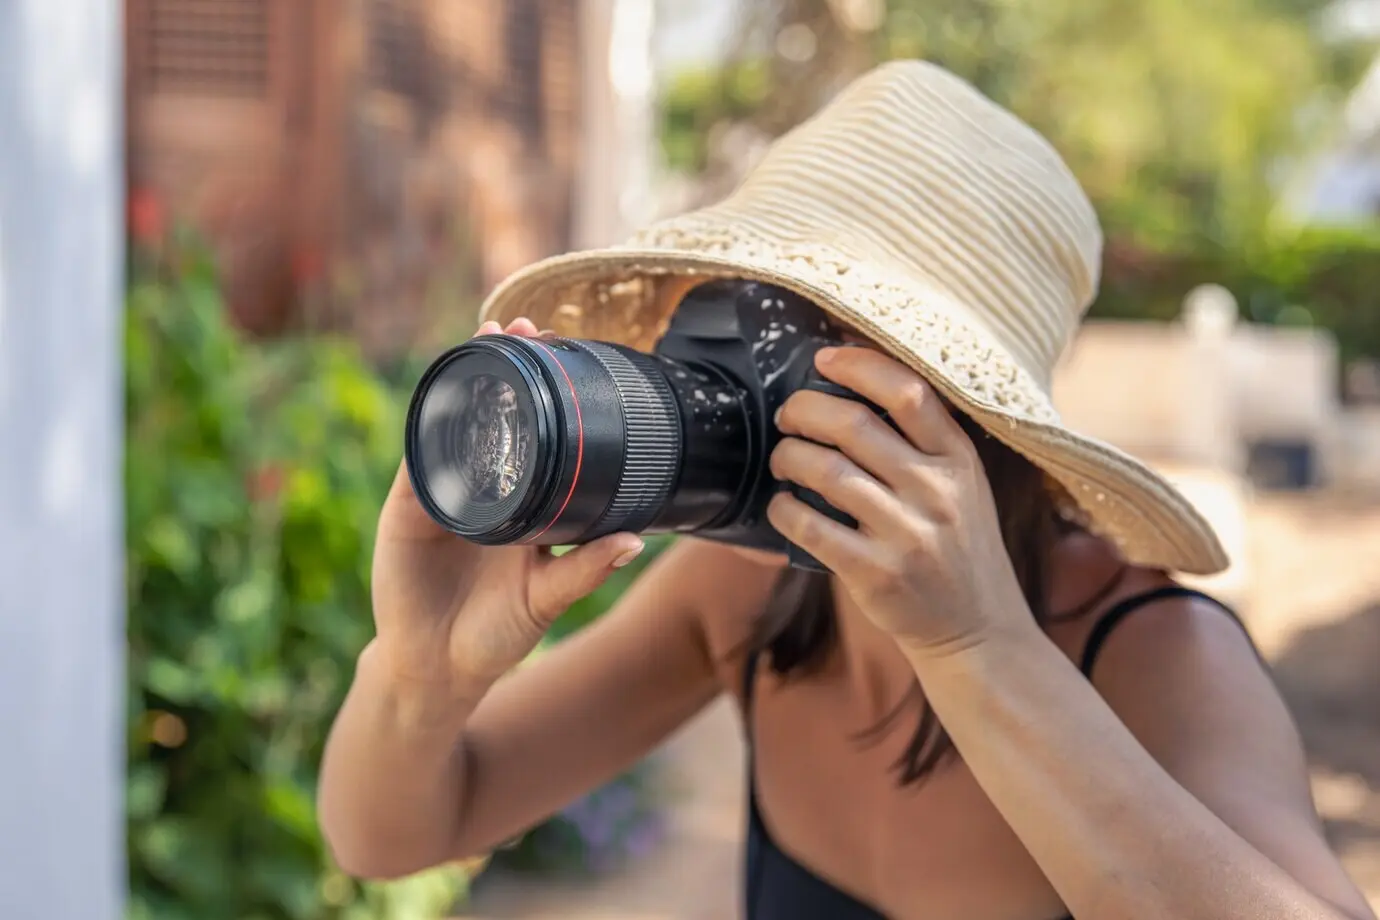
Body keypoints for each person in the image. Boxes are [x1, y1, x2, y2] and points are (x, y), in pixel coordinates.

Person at [318, 61, 1375, 920]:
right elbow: (388, 832)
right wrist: (420, 675)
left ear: (970, 411)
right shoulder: (746, 597)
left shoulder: (1156, 655)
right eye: (735, 316)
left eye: (807, 341)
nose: (737, 373)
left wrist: (976, 645)